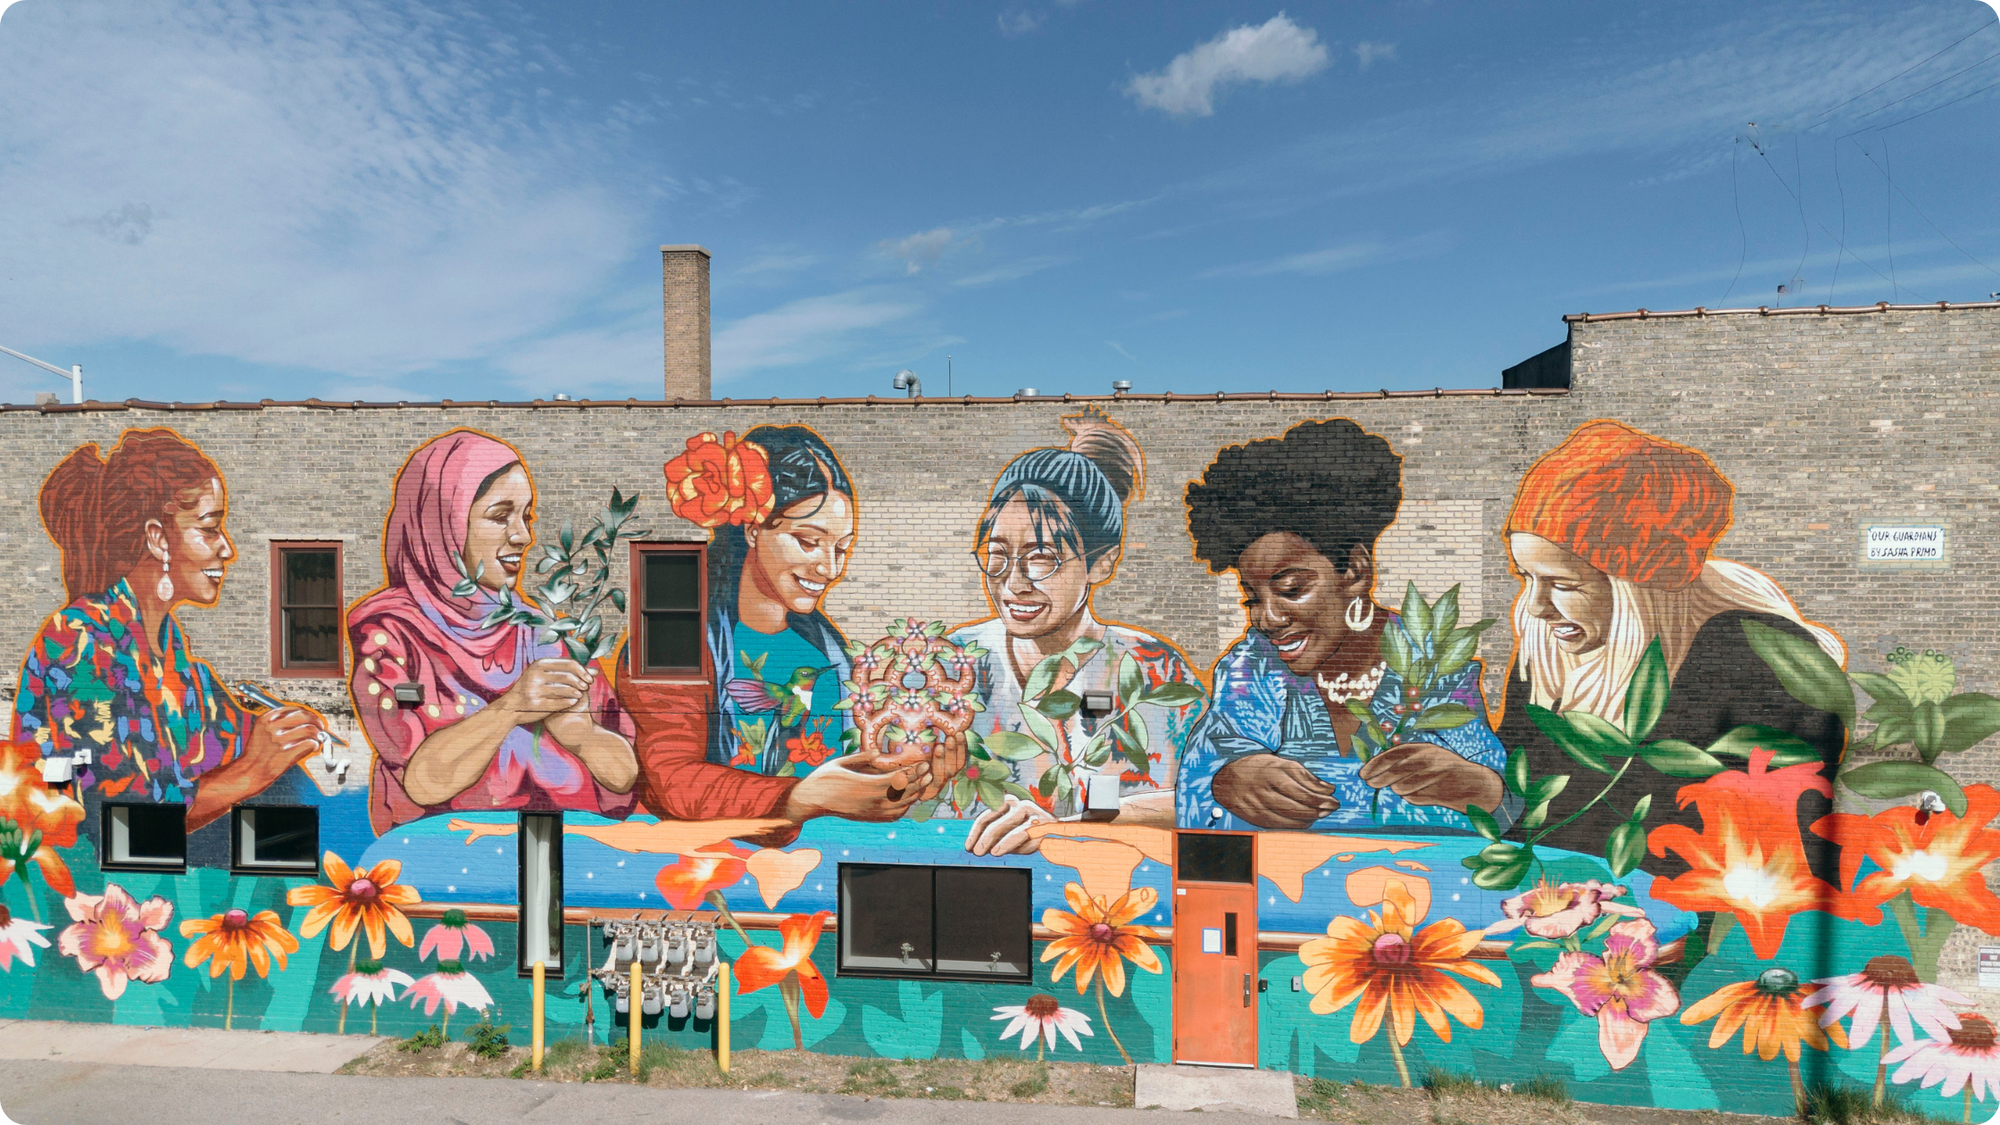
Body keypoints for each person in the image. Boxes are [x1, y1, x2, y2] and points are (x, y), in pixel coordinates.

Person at [1495, 420, 1847, 874]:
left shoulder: (1760, 660)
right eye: (1528, 578)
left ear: (1637, 587)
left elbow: (1707, 839)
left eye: (1563, 583)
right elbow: (1526, 796)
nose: (1537, 606)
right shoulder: (1547, 660)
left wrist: (1494, 798)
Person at [618, 426, 956, 847]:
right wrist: (798, 799)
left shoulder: (830, 651)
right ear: (753, 529)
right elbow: (672, 779)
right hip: (713, 870)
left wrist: (905, 779)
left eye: (841, 549)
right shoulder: (674, 634)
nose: (829, 569)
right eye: (808, 542)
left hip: (823, 868)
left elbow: (846, 773)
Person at [1177, 418, 1510, 834]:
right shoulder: (1252, 667)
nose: (1268, 618)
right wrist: (1227, 779)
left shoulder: (1434, 664)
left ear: (1353, 572)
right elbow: (1196, 785)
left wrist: (1481, 789)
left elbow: (1509, 808)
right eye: (1252, 598)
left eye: (1291, 589)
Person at [14, 429, 324, 829]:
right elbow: (130, 821)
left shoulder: (174, 657)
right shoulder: (80, 641)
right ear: (158, 538)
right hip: (87, 886)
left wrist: (281, 737)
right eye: (210, 528)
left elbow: (235, 737)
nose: (227, 548)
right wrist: (252, 769)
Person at [350, 429, 639, 834]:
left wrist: (583, 735)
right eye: (501, 516)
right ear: (443, 524)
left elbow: (624, 774)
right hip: (446, 858)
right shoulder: (392, 635)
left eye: (526, 516)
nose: (523, 535)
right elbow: (422, 782)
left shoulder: (544, 633)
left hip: (565, 849)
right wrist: (514, 707)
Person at [953, 410, 1205, 857]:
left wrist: (1068, 826)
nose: (1014, 583)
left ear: (1101, 563)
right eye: (996, 555)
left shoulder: (1150, 669)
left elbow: (1204, 797)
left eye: (1041, 557)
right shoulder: (958, 663)